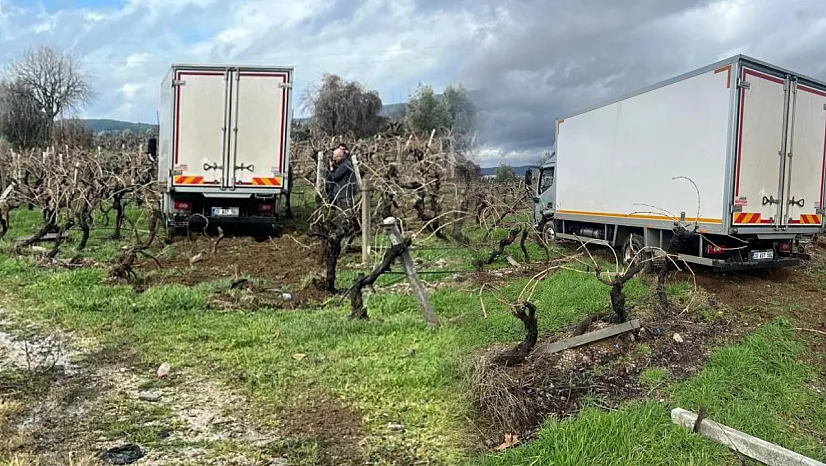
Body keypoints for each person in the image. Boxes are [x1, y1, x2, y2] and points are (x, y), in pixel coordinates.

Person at [327, 143, 357, 209]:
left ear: (339, 157)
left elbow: (335, 177)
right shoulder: (343, 164)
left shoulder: (344, 165)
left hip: (344, 194)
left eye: (335, 158)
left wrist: (331, 168)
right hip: (342, 193)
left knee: (346, 215)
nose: (335, 160)